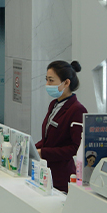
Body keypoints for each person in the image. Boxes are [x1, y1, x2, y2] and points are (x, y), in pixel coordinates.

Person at [36, 60, 87, 193]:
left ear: (66, 83)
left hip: (62, 177)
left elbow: (75, 148)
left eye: (51, 80)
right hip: (46, 172)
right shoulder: (54, 104)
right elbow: (49, 139)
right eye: (47, 80)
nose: (47, 84)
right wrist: (33, 148)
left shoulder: (77, 110)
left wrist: (43, 153)